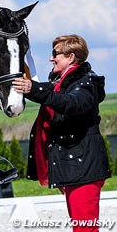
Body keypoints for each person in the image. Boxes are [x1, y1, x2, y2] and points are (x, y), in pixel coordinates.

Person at [12, 34, 111, 232]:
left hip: (83, 169)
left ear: (71, 57)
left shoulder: (86, 83)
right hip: (74, 168)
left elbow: (71, 103)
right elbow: (46, 91)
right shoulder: (62, 83)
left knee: (85, 229)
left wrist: (35, 89)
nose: (51, 58)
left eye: (55, 54)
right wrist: (28, 86)